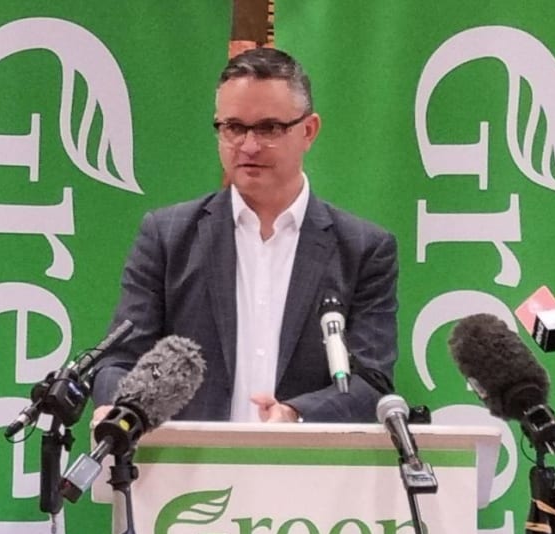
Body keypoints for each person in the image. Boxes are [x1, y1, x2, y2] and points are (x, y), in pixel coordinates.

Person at [90, 47, 397, 423]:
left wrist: (295, 414)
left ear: (309, 131)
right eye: (234, 128)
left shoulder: (363, 248)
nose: (248, 146)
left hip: (307, 470)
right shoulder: (168, 237)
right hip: (186, 473)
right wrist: (120, 404)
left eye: (269, 128)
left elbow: (372, 381)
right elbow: (118, 360)